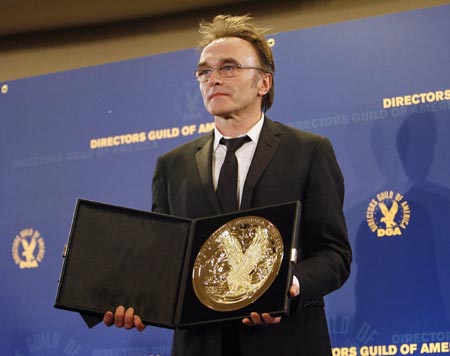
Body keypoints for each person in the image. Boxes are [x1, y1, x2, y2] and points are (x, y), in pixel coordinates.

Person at [104, 14, 352, 356]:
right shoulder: (171, 166)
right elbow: (165, 263)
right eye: (205, 71)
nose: (213, 79)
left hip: (287, 343)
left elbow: (334, 254)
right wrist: (133, 299)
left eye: (229, 67)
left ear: (263, 83)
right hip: (201, 346)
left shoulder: (309, 151)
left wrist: (288, 286)